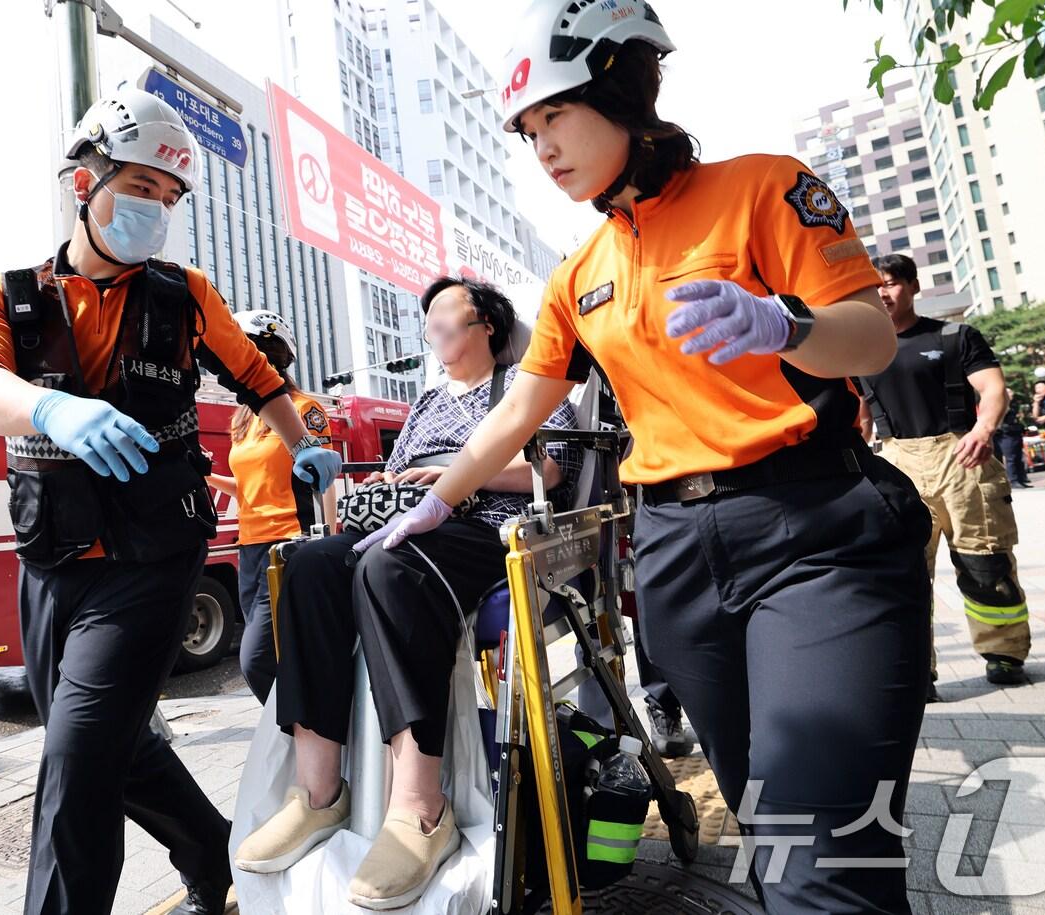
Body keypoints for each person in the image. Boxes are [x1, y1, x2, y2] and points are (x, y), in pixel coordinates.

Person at [353, 3, 934, 911]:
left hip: (813, 533)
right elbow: (519, 408)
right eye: (527, 131)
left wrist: (786, 324)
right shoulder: (577, 273)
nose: (542, 148)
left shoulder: (764, 187)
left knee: (825, 860)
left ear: (622, 89)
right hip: (673, 555)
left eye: (555, 115)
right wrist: (439, 498)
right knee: (772, 825)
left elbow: (871, 337)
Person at [0, 89, 341, 915]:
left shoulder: (186, 294)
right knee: (105, 742)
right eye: (139, 187)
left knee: (77, 757)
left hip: (156, 553)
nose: (155, 208)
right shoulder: (4, 296)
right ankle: (214, 858)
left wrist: (303, 442)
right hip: (53, 558)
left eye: (168, 195)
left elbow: (259, 377)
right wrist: (48, 407)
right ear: (83, 185)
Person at [233, 277, 582, 910]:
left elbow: (552, 466)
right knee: (311, 567)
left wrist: (450, 477)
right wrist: (393, 484)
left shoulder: (522, 385)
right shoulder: (425, 402)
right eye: (429, 319)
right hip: (406, 522)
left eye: (448, 313)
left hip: (487, 528)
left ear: (488, 327)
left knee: (388, 568)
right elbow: (399, 476)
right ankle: (318, 793)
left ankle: (421, 808)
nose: (433, 327)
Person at [857, 254, 1030, 694]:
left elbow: (993, 387)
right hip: (897, 463)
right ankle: (918, 670)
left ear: (913, 286)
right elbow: (860, 419)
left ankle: (1004, 654)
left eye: (891, 283)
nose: (882, 293)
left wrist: (983, 430)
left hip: (962, 457)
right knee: (904, 573)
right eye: (875, 286)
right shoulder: (862, 350)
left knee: (984, 561)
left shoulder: (955, 337)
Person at [206, 310, 337, 703]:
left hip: (291, 544)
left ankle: (300, 726)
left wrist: (328, 543)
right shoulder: (243, 420)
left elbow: (325, 481)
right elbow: (248, 487)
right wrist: (206, 476)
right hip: (249, 549)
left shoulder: (303, 408)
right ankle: (300, 729)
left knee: (257, 659)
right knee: (278, 656)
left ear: (269, 353)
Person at [994, 388, 1032, 488]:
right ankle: (1013, 479)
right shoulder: (1000, 404)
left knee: (1018, 457)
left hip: (1016, 432)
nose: (1011, 395)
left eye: (1011, 393)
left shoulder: (1014, 405)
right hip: (1006, 434)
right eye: (1008, 393)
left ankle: (1021, 478)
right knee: (1011, 458)